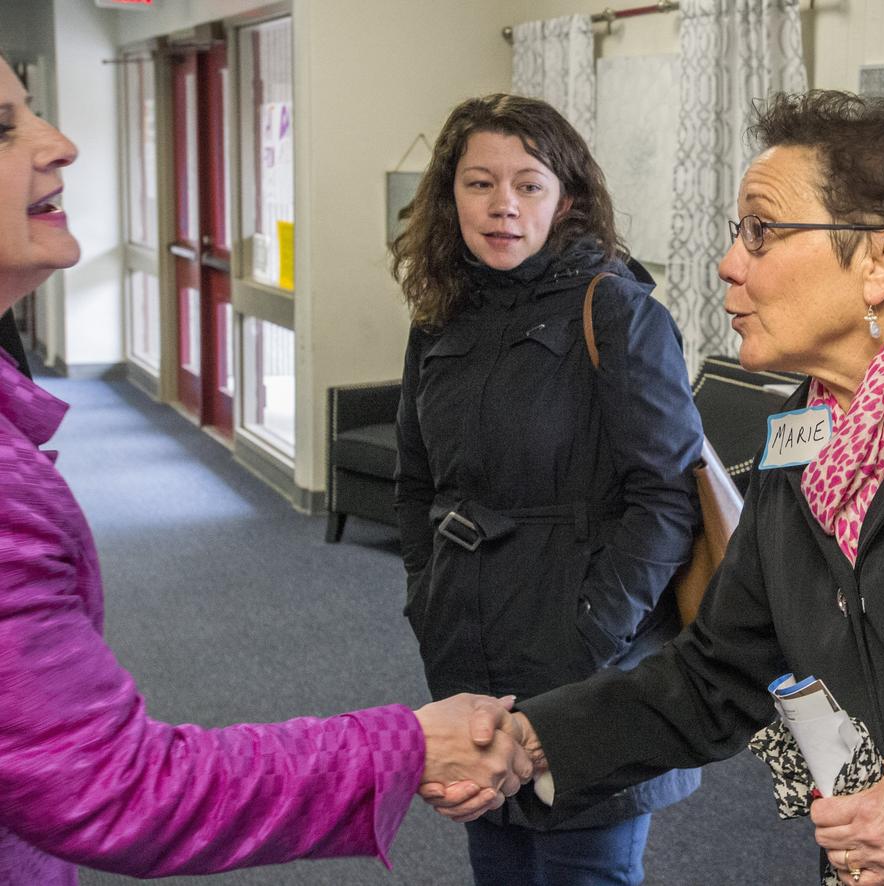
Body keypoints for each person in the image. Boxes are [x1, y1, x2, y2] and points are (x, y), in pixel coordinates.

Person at [437, 90, 884, 885]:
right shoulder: (806, 431)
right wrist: (535, 738)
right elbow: (719, 671)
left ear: (882, 259)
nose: (730, 263)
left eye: (762, 232)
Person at [0, 54, 532, 884]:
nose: (59, 143)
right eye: (4, 126)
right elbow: (108, 785)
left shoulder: (614, 314)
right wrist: (409, 743)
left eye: (528, 185)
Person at [390, 93, 703, 885]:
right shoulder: (439, 317)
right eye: (479, 183)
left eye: (528, 184)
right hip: (467, 642)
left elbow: (666, 501)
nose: (503, 207)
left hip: (590, 658)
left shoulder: (618, 311)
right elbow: (416, 479)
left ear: (565, 197)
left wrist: (590, 635)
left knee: (582, 865)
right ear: (447, 197)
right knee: (498, 865)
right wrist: (428, 595)